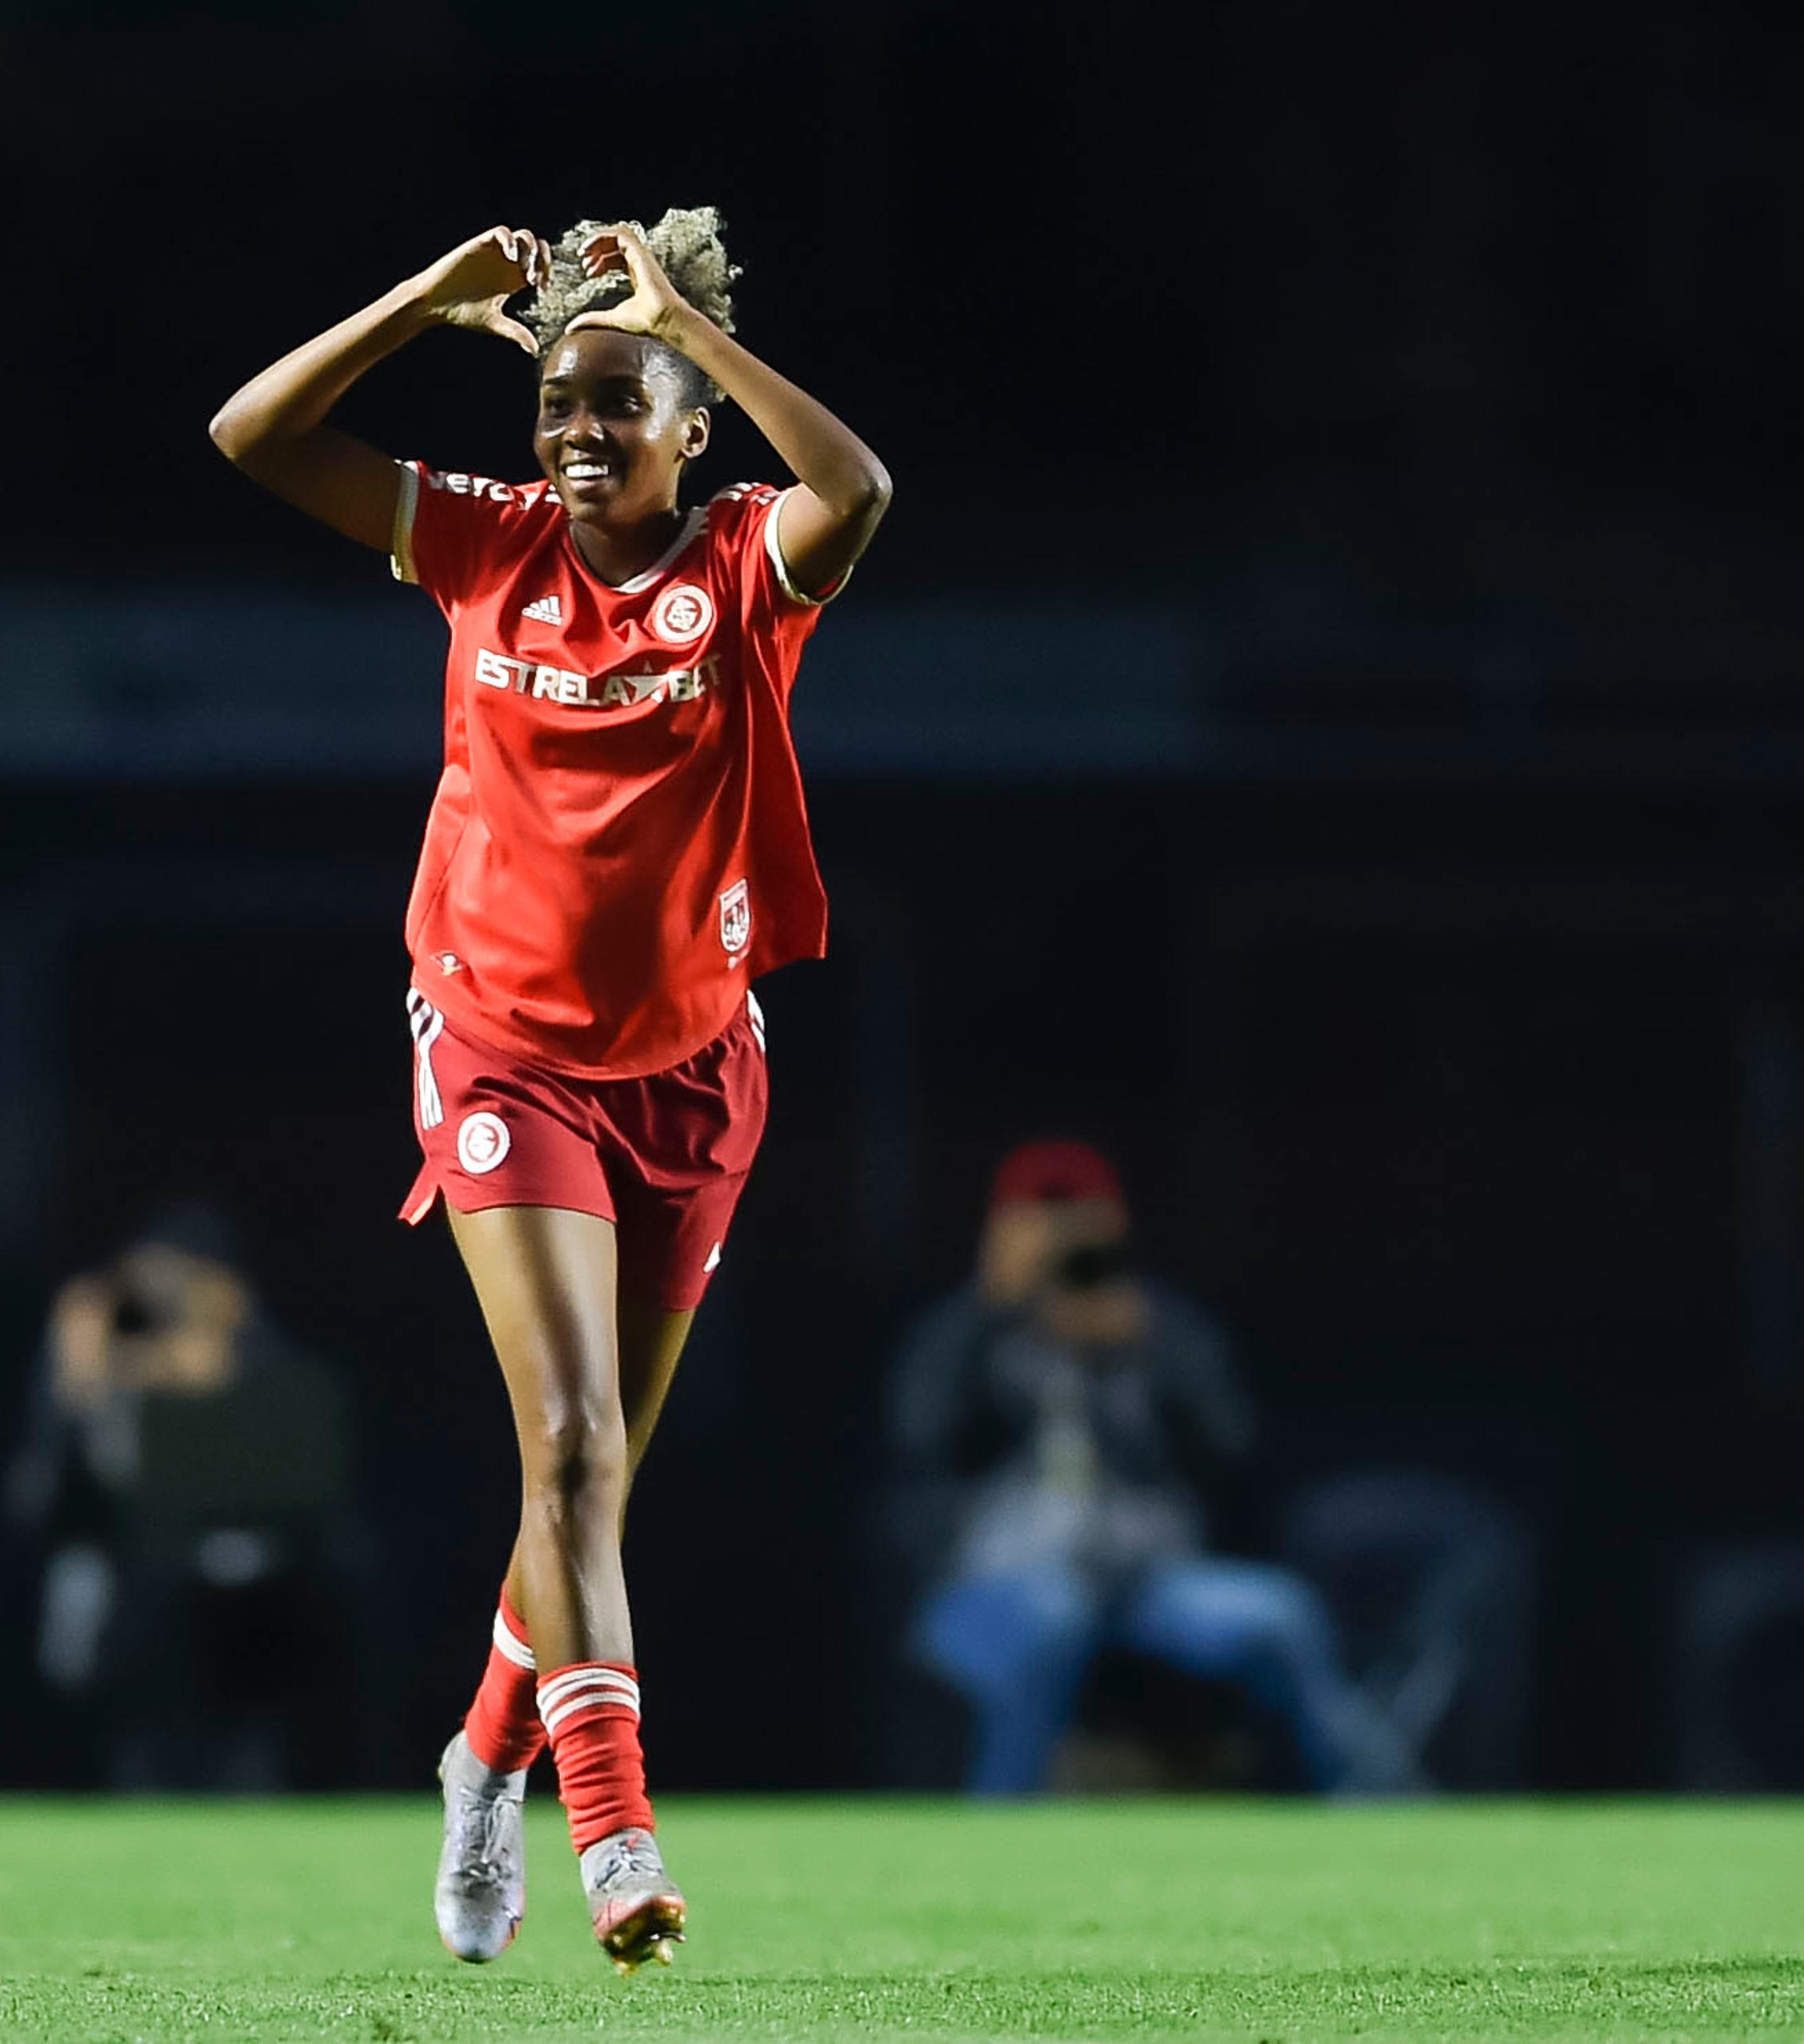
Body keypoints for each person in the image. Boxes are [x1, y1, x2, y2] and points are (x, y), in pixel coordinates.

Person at [210, 213, 890, 1968]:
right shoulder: (482, 543)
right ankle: (616, 1832)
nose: (576, 434)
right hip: (500, 1039)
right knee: (571, 1446)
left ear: (687, 428)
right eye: (559, 406)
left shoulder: (743, 562)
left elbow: (862, 484)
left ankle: (483, 1754)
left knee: (586, 1483)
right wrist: (423, 301)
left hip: (692, 1064)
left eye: (617, 405)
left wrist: (687, 325)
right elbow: (254, 436)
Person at [888, 1140, 1410, 1794]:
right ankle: (1001, 1839)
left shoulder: (1159, 1329)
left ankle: (1368, 1814)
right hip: (1005, 1576)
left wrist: (1147, 1350)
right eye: (1043, 1222)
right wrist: (995, 1309)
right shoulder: (963, 1332)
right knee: (1052, 1620)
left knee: (1279, 1615)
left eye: (1080, 1220)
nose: (1063, 1243)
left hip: (1150, 1583)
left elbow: (1233, 1450)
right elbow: (921, 1442)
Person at [5, 1202, 363, 1790]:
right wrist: (100, 1368)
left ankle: (253, 1777)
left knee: (269, 1615)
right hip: (120, 1552)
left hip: (236, 1565)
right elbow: (59, 1472)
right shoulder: (96, 1321)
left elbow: (293, 1452)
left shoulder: (242, 1328)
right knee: (110, 1621)